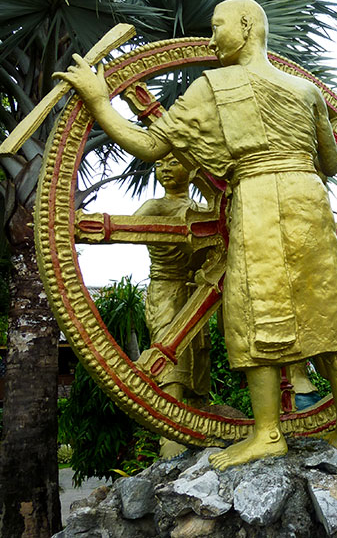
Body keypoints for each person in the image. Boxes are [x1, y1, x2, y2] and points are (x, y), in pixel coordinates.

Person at [53, 0, 337, 467]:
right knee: (329, 308)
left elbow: (150, 144)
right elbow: (331, 163)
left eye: (217, 26)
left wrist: (98, 101)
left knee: (254, 308)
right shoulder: (306, 90)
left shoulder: (213, 86)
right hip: (309, 199)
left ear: (245, 25)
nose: (212, 38)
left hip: (256, 199)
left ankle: (267, 434)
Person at [134, 154, 210, 457]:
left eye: (172, 163)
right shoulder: (155, 207)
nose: (164, 169)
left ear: (191, 170)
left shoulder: (203, 210)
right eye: (159, 164)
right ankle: (170, 439)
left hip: (199, 292)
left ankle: (202, 427)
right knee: (170, 358)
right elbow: (129, 228)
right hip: (165, 289)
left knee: (199, 360)